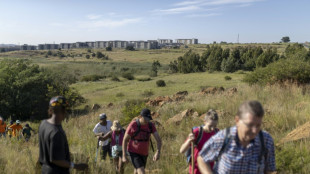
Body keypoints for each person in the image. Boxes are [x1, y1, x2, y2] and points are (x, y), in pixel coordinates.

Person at [197, 100, 276, 174]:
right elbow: (202, 158)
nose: (254, 130)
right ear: (237, 120)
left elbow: (269, 170)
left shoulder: (266, 140)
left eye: (258, 125)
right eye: (250, 125)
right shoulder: (224, 137)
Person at [38, 96, 88, 174]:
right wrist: (76, 166)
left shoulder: (43, 124)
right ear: (64, 111)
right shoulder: (56, 132)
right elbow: (56, 159)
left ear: (50, 110)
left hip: (44, 170)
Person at [122, 108, 162, 174]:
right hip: (133, 152)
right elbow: (125, 140)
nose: (147, 121)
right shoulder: (133, 125)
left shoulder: (150, 125)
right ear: (140, 117)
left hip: (144, 153)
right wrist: (124, 155)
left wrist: (158, 152)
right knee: (141, 172)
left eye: (148, 119)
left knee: (137, 171)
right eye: (145, 119)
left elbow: (159, 140)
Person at [180, 109, 219, 174]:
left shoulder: (217, 132)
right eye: (210, 126)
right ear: (205, 122)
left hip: (210, 169)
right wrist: (189, 140)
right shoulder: (197, 132)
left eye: (215, 126)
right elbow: (181, 150)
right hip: (196, 169)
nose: (212, 129)